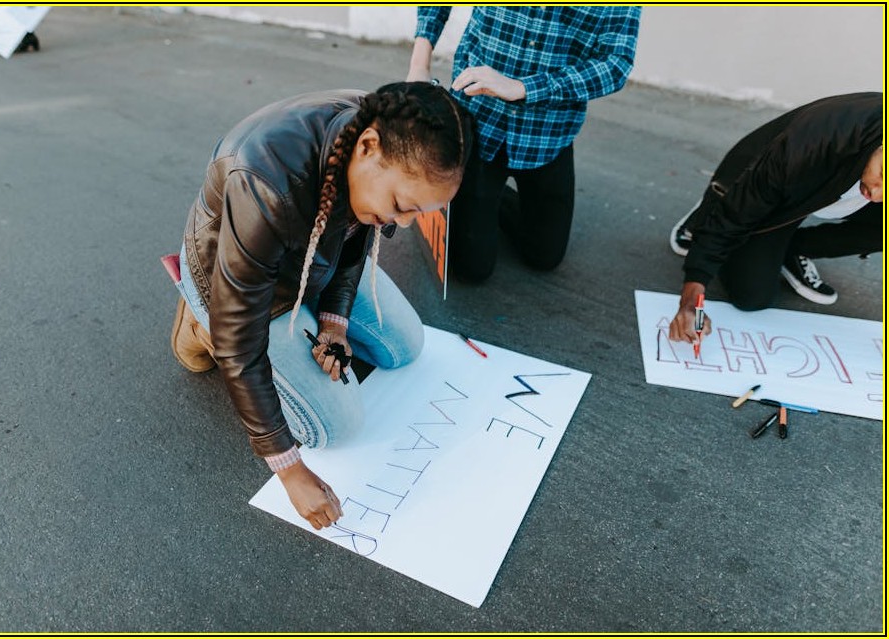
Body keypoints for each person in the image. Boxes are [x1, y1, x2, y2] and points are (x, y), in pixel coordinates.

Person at [169, 82, 472, 530]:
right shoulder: (265, 181)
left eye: (419, 212)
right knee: (335, 428)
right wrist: (288, 468)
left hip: (314, 260)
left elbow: (354, 236)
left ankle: (306, 321)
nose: (404, 224)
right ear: (368, 148)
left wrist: (334, 324)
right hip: (239, 287)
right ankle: (197, 325)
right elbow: (239, 334)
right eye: (401, 206)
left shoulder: (374, 136)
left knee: (405, 346)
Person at [407, 6, 641, 282]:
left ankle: (485, 197)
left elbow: (616, 64)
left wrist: (524, 88)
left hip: (549, 134)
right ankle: (471, 193)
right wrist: (419, 66)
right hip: (480, 119)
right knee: (470, 270)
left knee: (544, 257)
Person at [668, 92, 882, 347]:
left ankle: (792, 249)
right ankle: (708, 210)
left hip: (826, 193)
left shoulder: (875, 185)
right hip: (766, 190)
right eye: (883, 173)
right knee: (751, 297)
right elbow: (736, 213)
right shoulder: (811, 145)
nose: (877, 194)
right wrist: (691, 298)